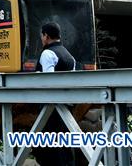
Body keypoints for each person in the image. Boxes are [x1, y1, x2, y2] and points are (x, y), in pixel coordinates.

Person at [32, 22, 76, 166]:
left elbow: (47, 81)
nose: (41, 38)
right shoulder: (69, 56)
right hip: (66, 105)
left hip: (49, 107)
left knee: (44, 143)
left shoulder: (47, 53)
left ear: (46, 36)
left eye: (42, 35)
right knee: (63, 143)